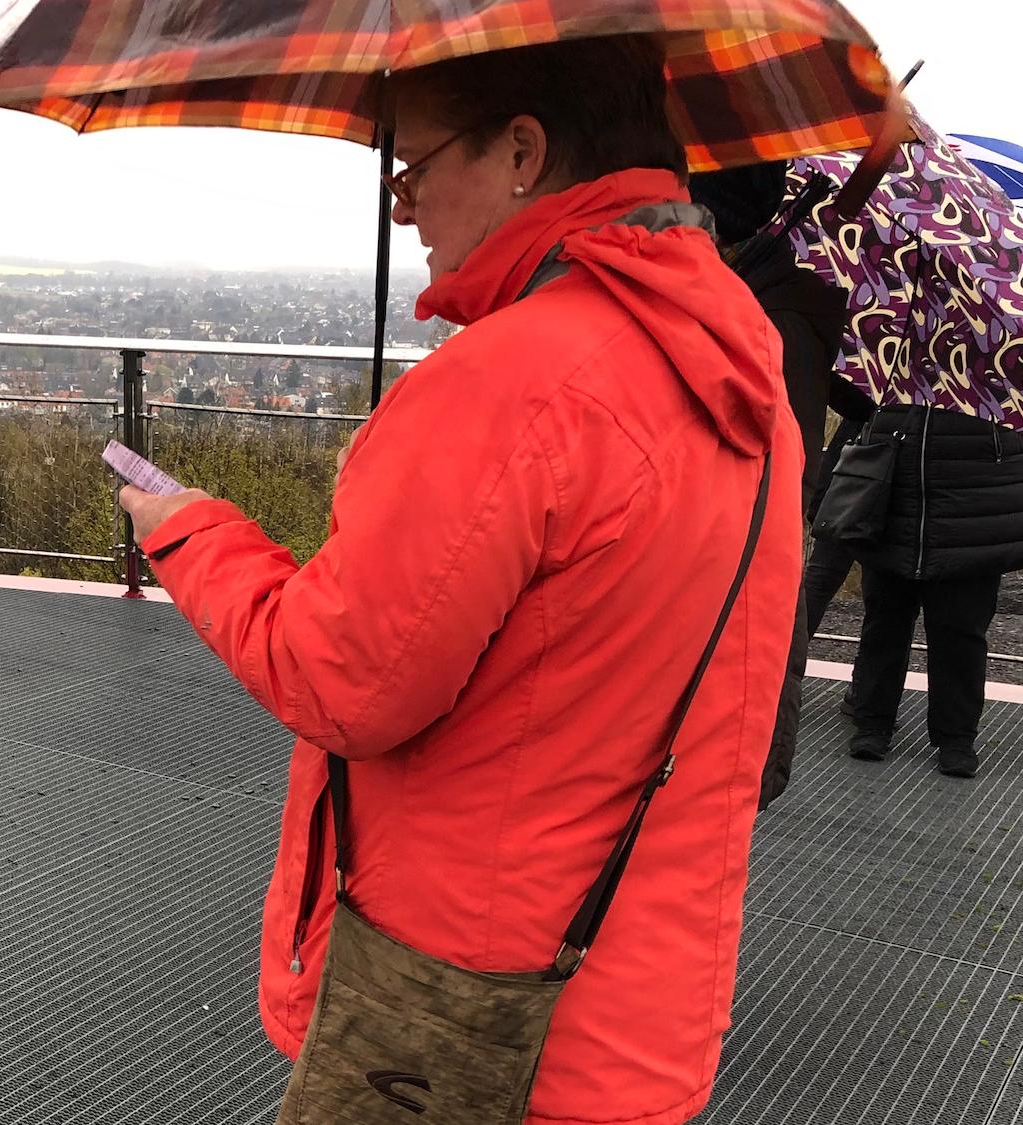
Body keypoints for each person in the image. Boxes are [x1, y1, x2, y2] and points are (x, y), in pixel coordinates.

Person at [117, 38, 800, 1125]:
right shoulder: (732, 356)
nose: (405, 209)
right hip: (633, 1007)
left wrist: (189, 531)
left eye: (413, 168)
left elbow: (339, 681)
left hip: (458, 1023)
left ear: (520, 151)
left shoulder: (513, 381)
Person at [688, 163, 850, 809]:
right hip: (753, 557)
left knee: (727, 787)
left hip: (745, 562)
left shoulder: (765, 324)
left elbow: (761, 465)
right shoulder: (770, 306)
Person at [840, 403, 1023, 778]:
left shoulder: (998, 386)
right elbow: (848, 401)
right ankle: (872, 722)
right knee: (882, 624)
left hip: (971, 521)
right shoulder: (890, 371)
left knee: (961, 633)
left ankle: (956, 737)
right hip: (893, 512)